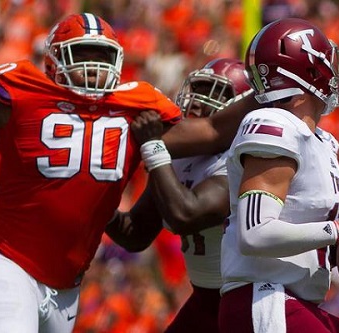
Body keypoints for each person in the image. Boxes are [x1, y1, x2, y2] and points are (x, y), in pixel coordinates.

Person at [130, 18, 339, 333]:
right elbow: (255, 233)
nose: (334, 73)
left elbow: (303, 241)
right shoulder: (274, 125)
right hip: (266, 301)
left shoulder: (319, 140)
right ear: (309, 72)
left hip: (291, 300)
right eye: (327, 62)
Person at [0, 13, 181, 332]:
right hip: (5, 259)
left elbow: (206, 134)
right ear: (54, 61)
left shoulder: (135, 105)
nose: (94, 65)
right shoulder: (24, 91)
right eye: (82, 53)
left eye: (101, 55)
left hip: (66, 287)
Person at [106, 57, 251, 333]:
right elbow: (136, 232)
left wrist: (153, 148)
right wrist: (93, 202)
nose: (196, 102)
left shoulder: (244, 158)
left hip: (246, 301)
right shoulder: (183, 156)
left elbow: (186, 214)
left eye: (212, 94)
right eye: (197, 90)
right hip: (204, 300)